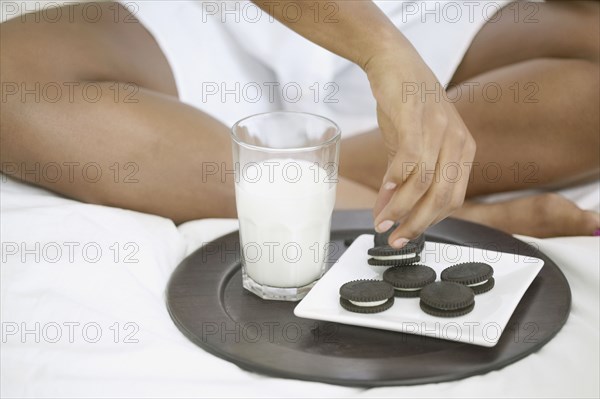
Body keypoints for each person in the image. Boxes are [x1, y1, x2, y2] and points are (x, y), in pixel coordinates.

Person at [1, 0, 598, 246]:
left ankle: (324, 170)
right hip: (216, 19)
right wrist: (383, 53)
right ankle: (448, 215)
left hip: (428, 16)